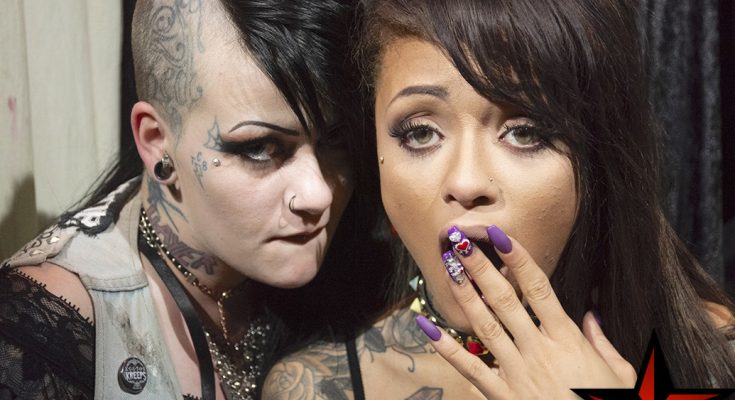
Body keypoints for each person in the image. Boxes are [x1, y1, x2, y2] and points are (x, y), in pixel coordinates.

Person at [262, 0, 735, 398]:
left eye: (525, 132)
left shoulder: (715, 356)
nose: (467, 183)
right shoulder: (317, 387)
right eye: (420, 132)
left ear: (598, 160)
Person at [0, 0, 388, 399]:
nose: (318, 194)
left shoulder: (363, 265)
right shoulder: (46, 334)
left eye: (337, 139)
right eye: (260, 148)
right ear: (156, 141)